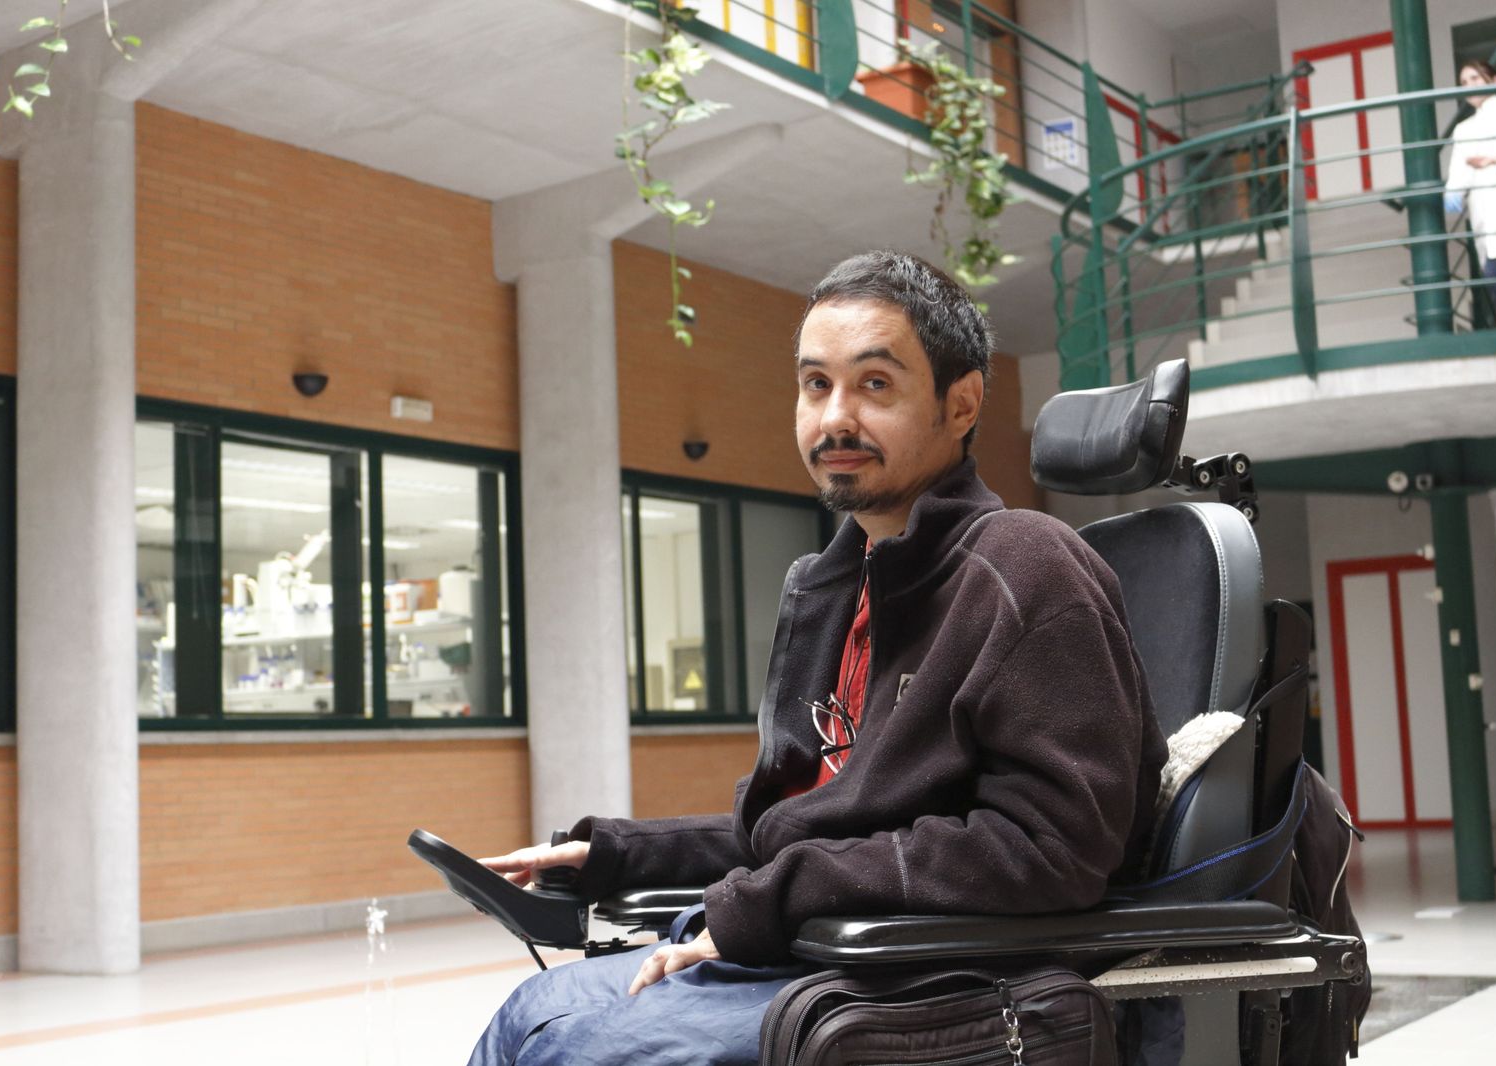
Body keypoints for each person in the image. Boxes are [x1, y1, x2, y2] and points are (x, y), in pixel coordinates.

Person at [468, 251, 1168, 1066]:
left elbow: (1052, 849)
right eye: (815, 385)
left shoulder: (1025, 568)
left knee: (589, 1051)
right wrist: (617, 853)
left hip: (936, 969)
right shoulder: (833, 585)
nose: (835, 419)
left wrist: (762, 909)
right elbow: (807, 822)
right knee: (531, 1011)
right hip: (834, 942)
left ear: (961, 402)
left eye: (875, 385)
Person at [1444, 59, 1496, 328]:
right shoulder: (1463, 128)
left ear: (1494, 80)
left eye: (1475, 78)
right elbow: (1459, 169)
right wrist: (1453, 192)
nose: (1470, 86)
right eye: (1464, 82)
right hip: (1483, 205)